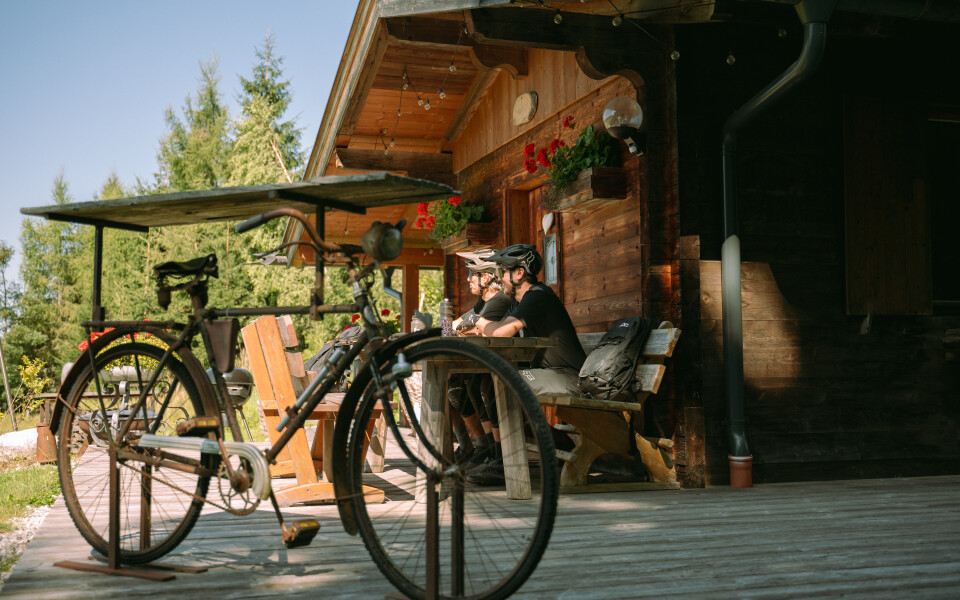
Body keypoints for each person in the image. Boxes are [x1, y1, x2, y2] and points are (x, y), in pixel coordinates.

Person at [461, 244, 587, 484]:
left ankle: (509, 463)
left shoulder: (537, 297)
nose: (500, 278)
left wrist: (478, 320)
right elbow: (497, 331)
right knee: (489, 379)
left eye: (504, 272)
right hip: (550, 372)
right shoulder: (522, 300)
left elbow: (499, 334)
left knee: (504, 381)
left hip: (568, 376)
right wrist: (486, 326)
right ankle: (501, 456)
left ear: (519, 273)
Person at [446, 250, 515, 469]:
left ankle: (493, 453)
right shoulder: (481, 304)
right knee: (456, 383)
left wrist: (464, 329)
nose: (467, 279)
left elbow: (478, 330)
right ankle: (478, 447)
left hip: (509, 366)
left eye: (471, 273)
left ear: (485, 278)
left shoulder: (499, 300)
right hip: (486, 364)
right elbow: (454, 326)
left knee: (481, 384)